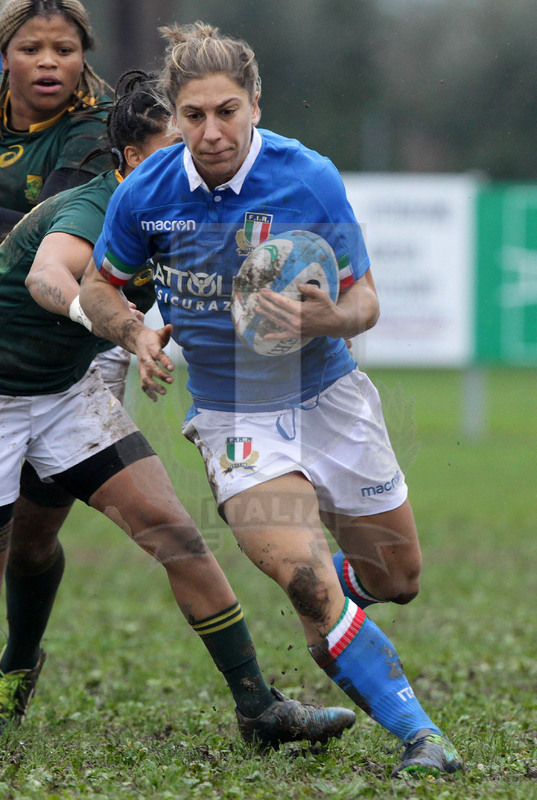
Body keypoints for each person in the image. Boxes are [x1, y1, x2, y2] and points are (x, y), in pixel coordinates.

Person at [80, 22, 465, 778]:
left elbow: (365, 303)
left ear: (255, 103)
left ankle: (342, 607)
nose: (212, 131)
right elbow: (99, 286)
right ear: (175, 113)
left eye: (227, 111)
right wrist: (134, 331)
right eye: (194, 116)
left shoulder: (308, 177)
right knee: (301, 576)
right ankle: (423, 737)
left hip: (328, 396)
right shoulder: (145, 194)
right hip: (232, 416)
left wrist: (327, 317)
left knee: (397, 579)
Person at [0, 70, 357, 748]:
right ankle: (13, 672)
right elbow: (52, 273)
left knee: (175, 534)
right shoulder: (96, 205)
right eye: (176, 140)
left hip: (62, 396)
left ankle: (258, 707)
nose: (200, 148)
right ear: (129, 160)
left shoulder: (182, 213)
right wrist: (105, 319)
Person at [0, 0, 112, 240]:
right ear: (5, 58)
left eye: (64, 50)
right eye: (30, 49)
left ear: (82, 58)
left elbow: (51, 228)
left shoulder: (98, 123)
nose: (48, 62)